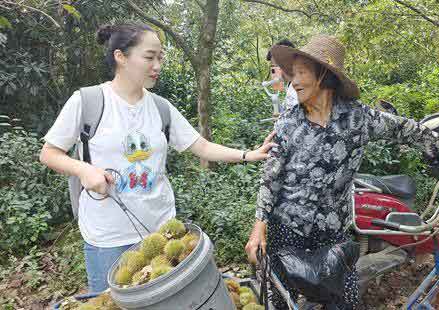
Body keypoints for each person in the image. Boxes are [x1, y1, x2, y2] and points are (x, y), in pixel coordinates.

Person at [245, 35, 439, 309]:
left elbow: (407, 129)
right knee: (281, 301)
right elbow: (271, 177)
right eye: (293, 73)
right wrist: (259, 228)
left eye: (302, 73)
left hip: (332, 233)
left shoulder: (358, 118)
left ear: (324, 75)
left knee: (344, 300)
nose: (295, 81)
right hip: (287, 229)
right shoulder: (288, 123)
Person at [39, 22, 275, 293]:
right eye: (149, 57)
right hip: (107, 236)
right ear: (121, 57)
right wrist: (83, 170)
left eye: (160, 58)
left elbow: (201, 146)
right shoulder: (87, 101)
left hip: (162, 232)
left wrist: (249, 154)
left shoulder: (160, 107)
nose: (157, 65)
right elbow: (49, 153)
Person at [266, 39, 299, 110]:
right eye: (273, 67)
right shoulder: (291, 84)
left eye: (276, 65)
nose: (274, 71)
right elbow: (287, 111)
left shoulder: (301, 86)